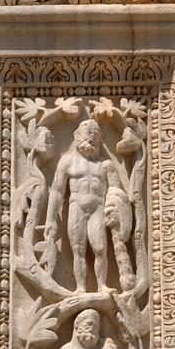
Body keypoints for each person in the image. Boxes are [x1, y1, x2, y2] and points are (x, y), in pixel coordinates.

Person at [44, 119, 123, 292]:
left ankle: (102, 285)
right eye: (87, 133)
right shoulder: (67, 162)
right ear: (77, 135)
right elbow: (57, 191)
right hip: (76, 208)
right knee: (78, 250)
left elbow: (116, 194)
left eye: (95, 134)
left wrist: (119, 215)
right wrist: (51, 219)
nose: (91, 137)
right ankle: (80, 287)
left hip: (97, 209)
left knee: (100, 248)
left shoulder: (106, 165)